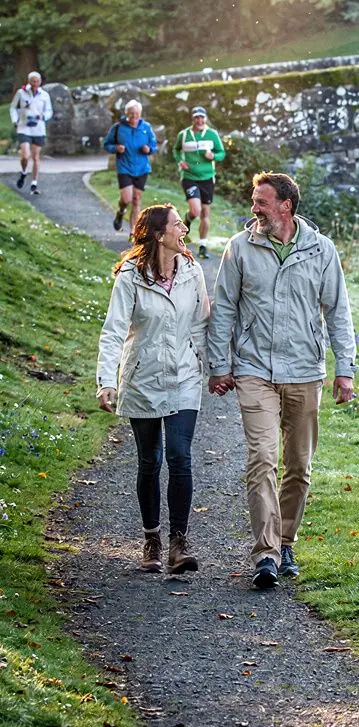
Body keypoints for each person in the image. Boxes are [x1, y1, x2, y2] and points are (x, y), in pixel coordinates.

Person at [207, 171, 355, 591]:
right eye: (255, 202)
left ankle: (286, 539)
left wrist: (345, 368)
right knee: (261, 459)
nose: (255, 209)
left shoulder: (321, 251)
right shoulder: (240, 248)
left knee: (299, 468)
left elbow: (338, 312)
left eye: (262, 202)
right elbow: (224, 311)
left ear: (285, 206)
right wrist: (220, 365)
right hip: (254, 370)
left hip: (305, 370)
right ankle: (267, 553)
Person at [96, 203, 209, 575]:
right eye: (179, 225)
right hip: (142, 378)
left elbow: (202, 324)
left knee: (179, 456)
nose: (185, 231)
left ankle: (179, 542)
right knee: (150, 461)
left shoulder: (192, 271)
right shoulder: (130, 275)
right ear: (160, 234)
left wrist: (215, 369)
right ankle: (152, 539)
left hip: (184, 377)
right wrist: (106, 381)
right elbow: (114, 331)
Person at [172, 106, 226, 261]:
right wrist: (180, 161)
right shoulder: (184, 135)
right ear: (193, 119)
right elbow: (176, 150)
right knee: (195, 211)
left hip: (207, 177)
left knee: (205, 213)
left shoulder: (212, 134)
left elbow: (222, 153)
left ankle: (202, 246)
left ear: (205, 119)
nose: (200, 120)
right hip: (189, 176)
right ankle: (188, 220)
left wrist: (213, 155)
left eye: (202, 117)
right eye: (197, 117)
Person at [104, 100, 158, 236]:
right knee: (126, 199)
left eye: (136, 113)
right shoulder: (118, 128)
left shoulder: (146, 127)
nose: (133, 116)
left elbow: (153, 145)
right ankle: (121, 211)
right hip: (124, 167)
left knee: (136, 200)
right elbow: (107, 144)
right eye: (131, 113)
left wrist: (149, 149)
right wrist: (116, 148)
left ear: (140, 114)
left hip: (142, 169)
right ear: (126, 114)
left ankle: (134, 234)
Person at [10, 70, 53, 195]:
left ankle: (34, 183)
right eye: (33, 81)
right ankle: (23, 172)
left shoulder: (44, 95)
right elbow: (13, 107)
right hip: (24, 127)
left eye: (37, 81)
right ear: (29, 82)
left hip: (38, 129)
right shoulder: (21, 93)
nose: (35, 84)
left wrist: (43, 117)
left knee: (35, 157)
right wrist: (15, 120)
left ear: (40, 82)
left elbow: (49, 111)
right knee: (25, 155)